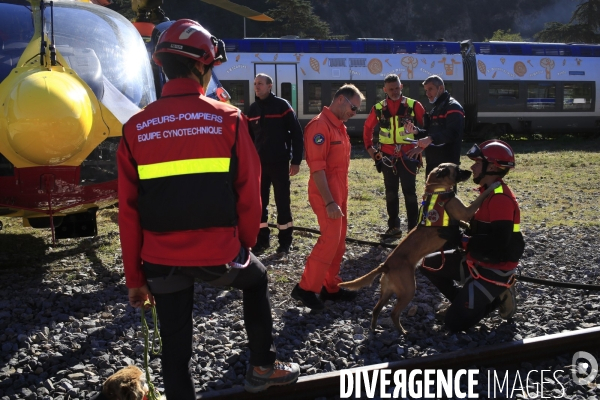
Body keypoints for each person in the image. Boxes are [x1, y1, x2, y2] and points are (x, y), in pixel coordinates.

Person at [117, 19, 299, 398]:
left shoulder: (135, 128)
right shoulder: (228, 118)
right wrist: (243, 245)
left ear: (162, 65)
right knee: (258, 279)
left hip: (160, 261)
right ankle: (263, 367)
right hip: (218, 253)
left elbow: (129, 213)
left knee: (175, 348)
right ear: (202, 66)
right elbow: (250, 194)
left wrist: (135, 278)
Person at [419, 140, 525, 332]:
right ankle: (465, 300)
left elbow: (498, 245)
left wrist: (461, 239)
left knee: (453, 324)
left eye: (477, 162)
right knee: (427, 265)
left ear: (492, 167)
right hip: (476, 260)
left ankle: (499, 293)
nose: (472, 167)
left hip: (493, 268)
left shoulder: (500, 199)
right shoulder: (489, 192)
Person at [290, 84, 364, 310]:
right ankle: (305, 288)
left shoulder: (339, 126)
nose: (355, 113)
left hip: (339, 192)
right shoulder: (320, 127)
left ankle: (329, 287)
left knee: (339, 242)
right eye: (353, 108)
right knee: (330, 239)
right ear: (340, 100)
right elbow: (318, 169)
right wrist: (330, 201)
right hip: (326, 194)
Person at [247, 73, 304, 255]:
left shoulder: (282, 106)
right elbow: (248, 139)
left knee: (282, 203)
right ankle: (262, 240)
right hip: (259, 165)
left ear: (270, 86)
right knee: (259, 204)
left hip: (279, 163)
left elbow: (297, 134)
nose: (257, 87)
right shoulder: (253, 110)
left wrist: (296, 161)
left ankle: (285, 242)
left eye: (260, 84)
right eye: (255, 84)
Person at [363, 73, 426, 237]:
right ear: (385, 90)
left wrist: (420, 148)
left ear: (401, 86)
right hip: (387, 157)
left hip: (408, 156)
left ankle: (413, 229)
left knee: (409, 192)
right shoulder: (378, 108)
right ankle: (394, 227)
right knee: (390, 192)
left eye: (397, 88)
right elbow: (367, 128)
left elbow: (428, 129)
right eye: (391, 89)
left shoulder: (414, 105)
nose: (394, 91)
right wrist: (370, 149)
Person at [405, 74, 465, 177]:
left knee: (445, 193)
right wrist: (416, 131)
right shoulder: (435, 109)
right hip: (432, 162)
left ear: (440, 88)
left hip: (448, 163)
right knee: (431, 192)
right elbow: (429, 132)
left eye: (430, 89)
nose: (427, 93)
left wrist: (430, 138)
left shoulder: (453, 107)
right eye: (426, 90)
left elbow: (453, 133)